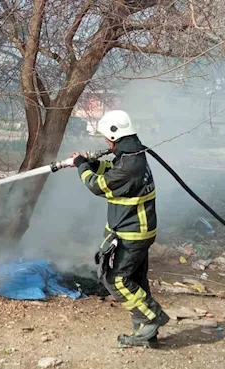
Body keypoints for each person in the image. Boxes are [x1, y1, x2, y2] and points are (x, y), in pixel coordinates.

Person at [70, 110, 170, 347]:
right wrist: (93, 163)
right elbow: (113, 171)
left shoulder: (130, 164)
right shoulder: (132, 155)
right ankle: (145, 330)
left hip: (132, 232)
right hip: (133, 228)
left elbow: (97, 186)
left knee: (117, 280)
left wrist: (81, 166)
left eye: (107, 138)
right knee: (135, 279)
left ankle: (152, 317)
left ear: (115, 137)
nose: (106, 142)